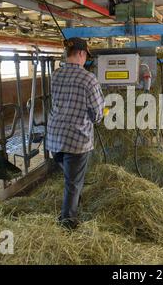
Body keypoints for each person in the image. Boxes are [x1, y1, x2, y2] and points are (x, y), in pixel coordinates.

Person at [46, 37, 105, 230]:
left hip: (55, 139)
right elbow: (96, 114)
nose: (85, 59)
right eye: (86, 55)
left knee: (72, 179)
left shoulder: (55, 75)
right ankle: (67, 223)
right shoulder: (88, 79)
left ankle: (74, 207)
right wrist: (99, 115)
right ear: (81, 53)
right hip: (76, 141)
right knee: (72, 184)